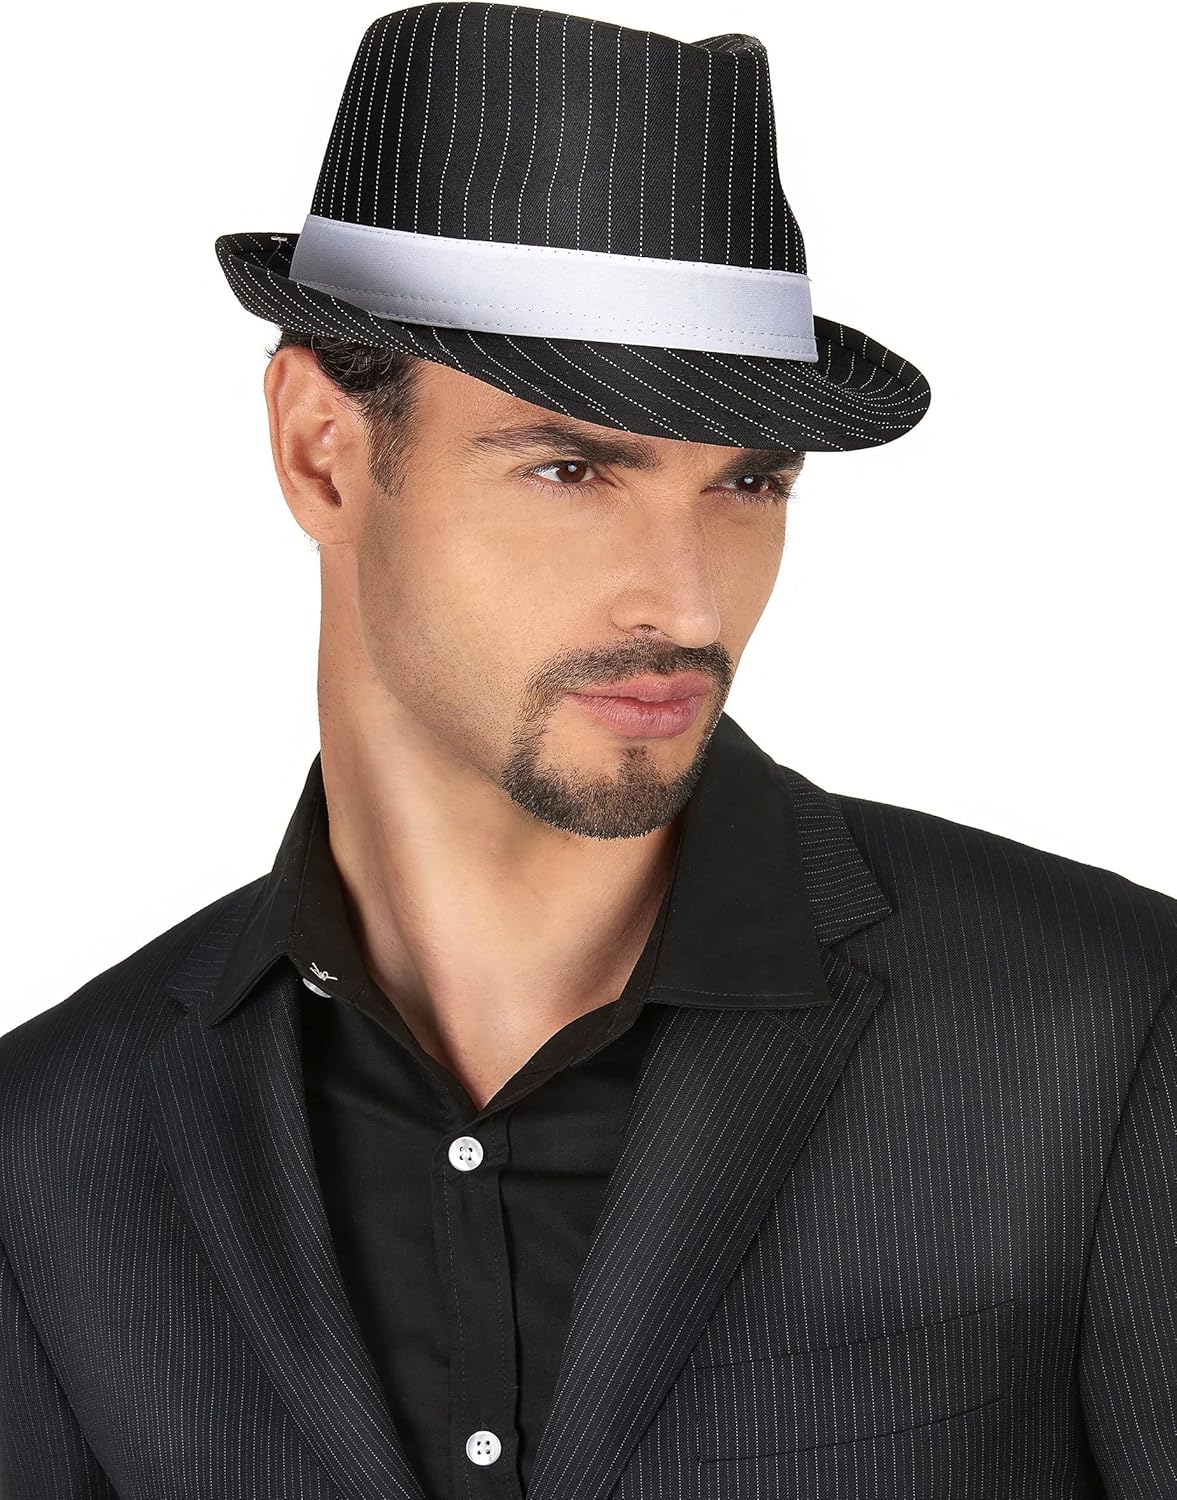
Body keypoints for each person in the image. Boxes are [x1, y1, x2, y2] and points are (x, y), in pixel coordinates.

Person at [1, 4, 1173, 1498]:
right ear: (320, 449)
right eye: (570, 468)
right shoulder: (56, 1143)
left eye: (747, 484)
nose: (686, 603)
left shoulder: (1101, 1034)